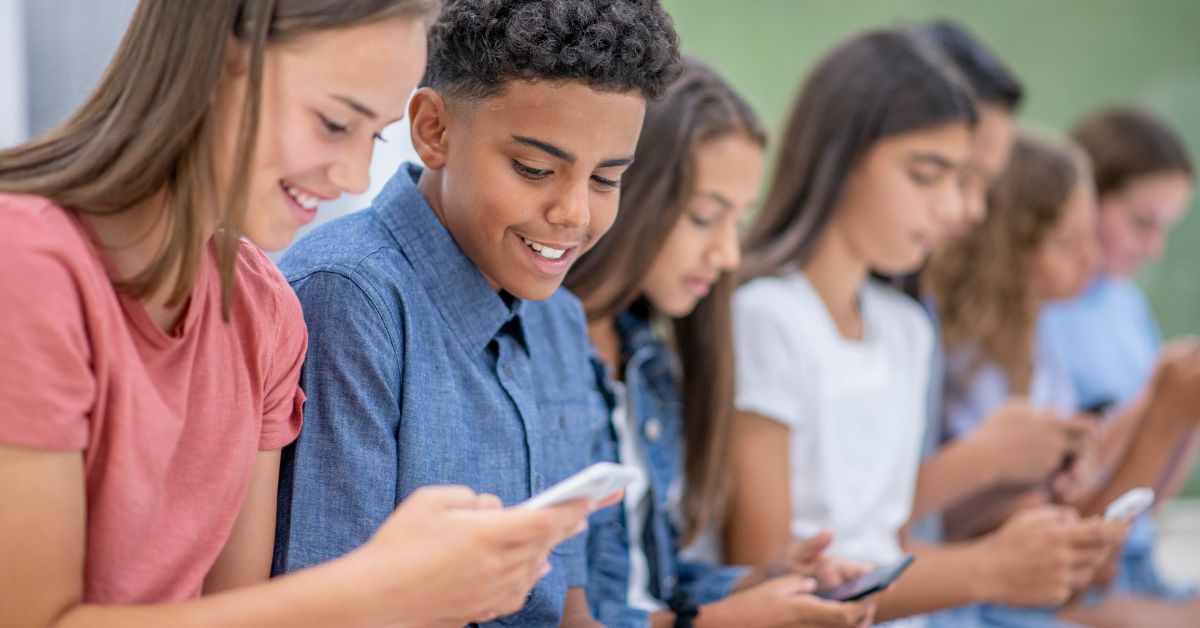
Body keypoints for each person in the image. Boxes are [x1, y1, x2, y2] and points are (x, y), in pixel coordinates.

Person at [0, 1, 592, 626]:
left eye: (376, 136)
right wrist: (383, 587)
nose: (352, 175)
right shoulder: (27, 265)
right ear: (218, 63)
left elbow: (242, 612)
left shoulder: (262, 315)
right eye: (336, 123)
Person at [271, 0, 681, 625]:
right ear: (434, 130)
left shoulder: (560, 322)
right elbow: (328, 603)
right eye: (535, 169)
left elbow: (571, 614)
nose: (574, 213)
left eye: (606, 180)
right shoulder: (349, 297)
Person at [721, 29, 1120, 626]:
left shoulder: (906, 328)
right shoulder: (766, 316)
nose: (957, 209)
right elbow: (764, 580)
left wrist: (1028, 538)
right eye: (925, 174)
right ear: (845, 159)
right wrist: (988, 568)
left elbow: (888, 540)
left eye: (961, 180)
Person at [565, 56, 875, 628]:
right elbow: (560, 613)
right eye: (706, 218)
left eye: (738, 222)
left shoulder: (648, 363)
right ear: (625, 187)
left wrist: (767, 582)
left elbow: (647, 581)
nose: (728, 255)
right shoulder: (538, 355)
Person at [1040, 107, 1200, 627]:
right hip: (1075, 576)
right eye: (1140, 223)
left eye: (1164, 229)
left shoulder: (1122, 302)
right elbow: (1063, 501)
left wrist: (1186, 415)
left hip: (1135, 552)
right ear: (1085, 199)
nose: (1153, 247)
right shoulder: (1042, 315)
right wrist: (1159, 405)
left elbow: (1146, 499)